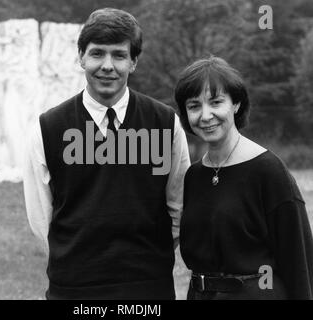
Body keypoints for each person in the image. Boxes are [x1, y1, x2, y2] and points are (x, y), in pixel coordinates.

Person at [23, 8, 191, 299]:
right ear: (81, 57)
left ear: (134, 61)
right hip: (74, 289)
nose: (107, 66)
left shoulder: (165, 123)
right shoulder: (48, 128)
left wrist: (148, 257)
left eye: (119, 55)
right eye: (97, 53)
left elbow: (179, 206)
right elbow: (41, 218)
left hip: (148, 288)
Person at [174, 56, 313, 300]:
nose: (206, 116)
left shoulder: (269, 171)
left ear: (236, 103)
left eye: (216, 102)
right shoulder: (194, 176)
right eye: (194, 106)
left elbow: (298, 261)